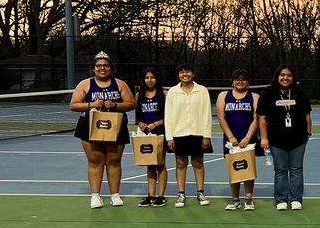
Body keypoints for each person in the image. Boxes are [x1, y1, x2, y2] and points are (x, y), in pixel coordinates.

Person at [69, 51, 134, 209]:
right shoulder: (85, 84)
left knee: (113, 161)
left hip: (116, 127)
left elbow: (131, 103)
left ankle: (115, 195)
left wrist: (116, 105)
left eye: (106, 65)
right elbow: (73, 105)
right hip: (90, 127)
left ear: (111, 68)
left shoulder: (119, 84)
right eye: (99, 66)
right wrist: (91, 105)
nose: (102, 68)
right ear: (93, 69)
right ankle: (95, 196)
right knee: (95, 161)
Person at [257, 64, 313, 211]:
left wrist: (308, 133)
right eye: (282, 75)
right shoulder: (267, 93)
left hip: (298, 139)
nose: (285, 78)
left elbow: (307, 115)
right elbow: (262, 118)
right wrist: (264, 138)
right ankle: (281, 199)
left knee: (296, 169)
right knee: (280, 170)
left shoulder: (299, 93)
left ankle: (296, 199)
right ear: (277, 76)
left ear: (293, 78)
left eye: (289, 75)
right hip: (276, 140)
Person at [165, 64, 213, 207]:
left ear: (193, 74)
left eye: (187, 72)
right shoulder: (173, 92)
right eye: (181, 72)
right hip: (179, 134)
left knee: (198, 163)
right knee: (180, 164)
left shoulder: (202, 90)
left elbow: (206, 113)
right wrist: (169, 137)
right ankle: (181, 194)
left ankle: (200, 193)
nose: (184, 74)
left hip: (198, 132)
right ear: (178, 75)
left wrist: (206, 135)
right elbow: (168, 116)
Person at [216, 69, 261, 211]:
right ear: (232, 81)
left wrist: (247, 137)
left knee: (248, 169)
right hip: (231, 140)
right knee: (233, 168)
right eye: (237, 79)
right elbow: (221, 117)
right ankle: (235, 198)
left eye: (243, 79)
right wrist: (231, 136)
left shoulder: (254, 97)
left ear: (248, 82)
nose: (240, 82)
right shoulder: (224, 96)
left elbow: (256, 119)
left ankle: (248, 198)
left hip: (248, 138)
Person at [133, 67, 168, 207]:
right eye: (147, 77)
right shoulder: (139, 95)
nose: (149, 80)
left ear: (157, 79)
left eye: (152, 77)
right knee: (150, 164)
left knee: (160, 164)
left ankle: (161, 196)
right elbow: (137, 116)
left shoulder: (164, 94)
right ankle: (151, 195)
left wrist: (156, 123)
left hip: (160, 132)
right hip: (145, 133)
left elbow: (169, 116)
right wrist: (141, 123)